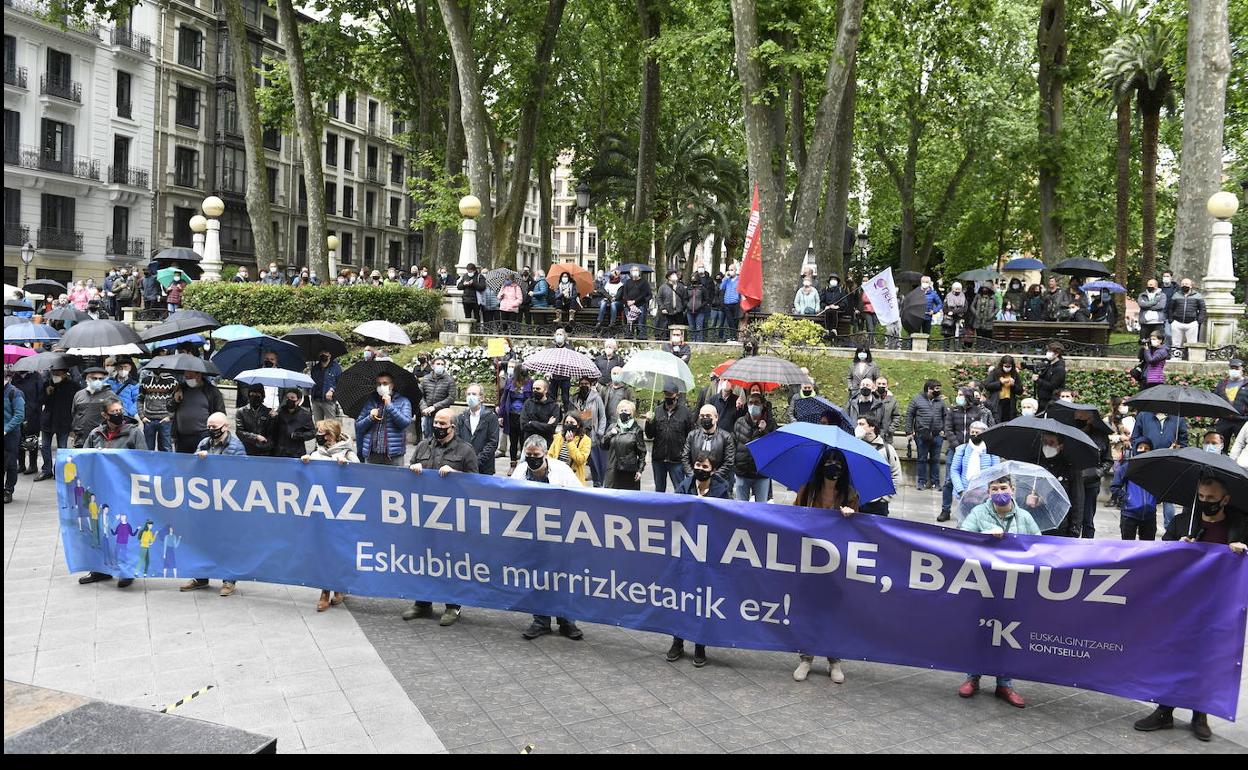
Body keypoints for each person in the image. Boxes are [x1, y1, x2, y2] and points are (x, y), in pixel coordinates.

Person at [1135, 477, 1245, 742]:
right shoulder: (1183, 522)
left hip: (1219, 606)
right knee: (1172, 653)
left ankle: (1200, 714)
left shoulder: (1240, 526)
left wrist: (1243, 551)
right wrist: (1178, 547)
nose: (1205, 502)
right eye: (1202, 497)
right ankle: (1165, 710)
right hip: (1181, 603)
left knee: (1207, 657)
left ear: (1225, 500)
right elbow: (1161, 555)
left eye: (1211, 498)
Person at [956, 475, 1039, 708]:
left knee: (1008, 633)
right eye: (994, 488)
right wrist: (985, 539)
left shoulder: (1025, 518)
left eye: (1003, 487)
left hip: (1015, 586)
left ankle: (1005, 683)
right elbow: (963, 540)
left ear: (1012, 490)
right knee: (981, 629)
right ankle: (973, 677)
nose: (999, 491)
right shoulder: (978, 514)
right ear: (988, 492)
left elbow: (1040, 547)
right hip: (984, 583)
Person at [792, 448, 860, 684]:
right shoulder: (807, 491)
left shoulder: (850, 494)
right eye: (829, 462)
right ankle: (806, 658)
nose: (833, 467)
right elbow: (791, 517)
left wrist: (852, 516)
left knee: (833, 612)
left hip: (836, 563)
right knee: (808, 609)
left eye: (837, 464)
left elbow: (858, 531)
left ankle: (834, 660)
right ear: (821, 465)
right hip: (809, 559)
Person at [405, 408, 479, 626]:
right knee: (423, 559)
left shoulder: (466, 451)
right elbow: (407, 475)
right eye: (435, 422)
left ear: (453, 427)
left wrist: (457, 476)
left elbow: (477, 484)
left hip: (451, 518)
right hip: (424, 515)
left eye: (442, 424)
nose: (437, 427)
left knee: (449, 560)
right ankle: (422, 602)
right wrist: (413, 468)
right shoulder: (422, 446)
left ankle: (452, 605)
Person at [510, 435, 585, 640]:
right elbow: (510, 497)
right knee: (537, 577)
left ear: (545, 454)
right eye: (528, 455)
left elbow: (581, 496)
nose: (532, 459)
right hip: (531, 533)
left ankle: (566, 621)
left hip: (559, 533)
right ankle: (541, 621)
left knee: (562, 577)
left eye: (536, 455)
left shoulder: (561, 470)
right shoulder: (520, 471)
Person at [664, 452, 731, 667]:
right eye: (697, 464)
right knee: (681, 596)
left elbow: (727, 516)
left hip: (708, 554)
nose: (700, 468)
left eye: (704, 465)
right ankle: (678, 641)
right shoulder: (684, 486)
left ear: (712, 469)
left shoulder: (722, 489)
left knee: (703, 599)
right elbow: (673, 509)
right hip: (685, 552)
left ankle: (700, 644)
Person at [181, 412, 246, 597]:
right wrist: (197, 460)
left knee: (227, 540)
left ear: (225, 427)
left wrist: (209, 463)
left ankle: (229, 580)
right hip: (205, 500)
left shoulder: (236, 447)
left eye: (214, 427)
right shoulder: (204, 443)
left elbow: (238, 474)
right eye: (208, 427)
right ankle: (201, 577)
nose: (211, 430)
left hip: (226, 501)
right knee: (202, 539)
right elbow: (192, 467)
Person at [301, 419, 357, 611]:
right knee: (323, 550)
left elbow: (361, 478)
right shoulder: (316, 453)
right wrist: (305, 465)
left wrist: (347, 467)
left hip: (342, 510)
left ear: (331, 434)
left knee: (339, 549)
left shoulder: (348, 453)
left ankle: (339, 587)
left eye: (322, 432)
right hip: (321, 509)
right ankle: (325, 591)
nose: (318, 435)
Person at [941, 386, 994, 521]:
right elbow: (948, 429)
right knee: (949, 480)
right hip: (956, 449)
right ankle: (945, 509)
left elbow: (981, 429)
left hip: (975, 449)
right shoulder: (952, 411)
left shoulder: (978, 412)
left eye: (961, 395)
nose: (958, 397)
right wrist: (959, 447)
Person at [1130, 409, 1189, 526]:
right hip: (1148, 461)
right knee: (1146, 494)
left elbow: (1184, 441)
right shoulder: (1143, 415)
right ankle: (1145, 522)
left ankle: (1169, 527)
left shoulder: (1178, 417)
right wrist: (1143, 449)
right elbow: (1135, 438)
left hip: (1169, 461)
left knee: (1168, 497)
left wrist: (1179, 448)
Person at [645, 382, 694, 493]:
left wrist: (686, 455)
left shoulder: (685, 412)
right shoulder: (657, 411)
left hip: (677, 459)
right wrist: (648, 423)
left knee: (680, 489)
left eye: (670, 395)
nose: (668, 397)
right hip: (659, 458)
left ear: (676, 395)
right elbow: (650, 435)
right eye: (666, 394)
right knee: (659, 490)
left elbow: (691, 435)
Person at [356, 372, 413, 466]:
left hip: (393, 455)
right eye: (379, 384)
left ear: (392, 385)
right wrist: (370, 417)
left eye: (385, 383)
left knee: (394, 480)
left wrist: (390, 406)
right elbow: (359, 427)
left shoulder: (403, 401)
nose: (381, 386)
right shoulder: (370, 401)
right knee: (370, 480)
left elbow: (405, 423)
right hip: (372, 454)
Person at [1035, 432, 1085, 537]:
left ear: (1061, 446)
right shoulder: (1036, 464)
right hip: (1036, 525)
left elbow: (1077, 500)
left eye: (1052, 443)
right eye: (1045, 442)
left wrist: (1074, 529)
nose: (1047, 446)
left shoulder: (1071, 467)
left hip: (1061, 526)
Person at [34, 367, 78, 480]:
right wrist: (47, 394)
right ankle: (46, 470)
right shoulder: (47, 384)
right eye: (54, 372)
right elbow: (40, 401)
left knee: (62, 447)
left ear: (65, 373)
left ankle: (58, 470)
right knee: (45, 447)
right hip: (47, 421)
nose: (55, 375)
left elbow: (75, 404)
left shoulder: (73, 386)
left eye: (58, 373)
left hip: (63, 421)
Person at [1110, 438, 1158, 540]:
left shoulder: (1154, 469)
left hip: (1149, 515)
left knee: (1147, 548)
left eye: (1146, 448)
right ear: (1135, 449)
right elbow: (1114, 486)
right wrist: (1127, 498)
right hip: (1129, 514)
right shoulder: (1127, 467)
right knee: (1127, 546)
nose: (1143, 450)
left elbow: (1162, 484)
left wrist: (1155, 499)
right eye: (1140, 447)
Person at [733, 390, 776, 502]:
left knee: (761, 508)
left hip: (761, 474)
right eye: (751, 403)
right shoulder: (739, 422)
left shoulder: (770, 423)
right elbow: (733, 444)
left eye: (757, 403)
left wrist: (764, 430)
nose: (753, 405)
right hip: (742, 472)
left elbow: (774, 446)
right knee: (741, 508)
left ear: (762, 405)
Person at [905, 380, 946, 495]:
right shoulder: (916, 399)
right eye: (936, 388)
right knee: (921, 459)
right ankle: (921, 482)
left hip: (937, 435)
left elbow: (945, 416)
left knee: (936, 460)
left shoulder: (941, 402)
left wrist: (944, 430)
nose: (939, 391)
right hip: (922, 435)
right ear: (929, 389)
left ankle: (935, 483)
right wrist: (909, 431)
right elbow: (910, 415)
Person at [169, 368, 224, 454]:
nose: (187, 379)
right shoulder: (181, 388)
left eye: (190, 376)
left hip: (204, 436)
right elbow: (169, 407)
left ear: (198, 375)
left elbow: (221, 414)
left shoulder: (212, 391)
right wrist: (175, 400)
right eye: (186, 376)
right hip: (182, 437)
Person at [856, 416, 901, 516]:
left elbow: (896, 474)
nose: (858, 427)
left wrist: (885, 498)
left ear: (872, 427)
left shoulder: (887, 449)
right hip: (858, 500)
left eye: (861, 424)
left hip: (878, 504)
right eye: (857, 424)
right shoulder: (856, 447)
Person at [682, 404, 735, 487]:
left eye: (708, 416)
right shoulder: (692, 435)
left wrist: (712, 479)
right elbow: (685, 457)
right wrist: (694, 476)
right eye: (702, 416)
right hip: (694, 481)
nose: (705, 418)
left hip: (718, 483)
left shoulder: (726, 437)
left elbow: (729, 462)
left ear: (716, 417)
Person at [949, 421, 999, 508]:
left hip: (984, 495)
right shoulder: (962, 449)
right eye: (972, 432)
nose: (974, 434)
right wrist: (961, 490)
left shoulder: (992, 452)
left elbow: (996, 472)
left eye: (977, 432)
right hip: (964, 492)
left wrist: (990, 491)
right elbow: (954, 471)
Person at [454, 383, 500, 476]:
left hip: (484, 468)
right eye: (468, 394)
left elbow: (492, 443)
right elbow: (457, 439)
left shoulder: (490, 417)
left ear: (481, 398)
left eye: (474, 394)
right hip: (464, 466)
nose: (471, 397)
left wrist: (476, 461)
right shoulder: (461, 417)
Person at [569, 374, 607, 486]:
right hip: (577, 433)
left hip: (592, 434)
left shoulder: (596, 398)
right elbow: (570, 414)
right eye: (581, 384)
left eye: (586, 384)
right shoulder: (574, 398)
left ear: (590, 385)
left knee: (594, 461)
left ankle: (598, 483)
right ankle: (574, 482)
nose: (583, 386)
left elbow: (603, 416)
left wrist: (600, 432)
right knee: (576, 458)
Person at [499, 362, 533, 473]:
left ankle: (524, 465)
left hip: (524, 417)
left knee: (524, 441)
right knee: (513, 442)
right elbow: (504, 399)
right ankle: (512, 464)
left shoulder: (530, 383)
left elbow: (532, 400)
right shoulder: (510, 382)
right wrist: (501, 415)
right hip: (512, 416)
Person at [604, 400, 646, 490]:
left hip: (629, 470)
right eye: (621, 410)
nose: (623, 412)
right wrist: (610, 434)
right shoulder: (612, 427)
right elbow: (603, 445)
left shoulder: (637, 430)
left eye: (626, 411)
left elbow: (642, 453)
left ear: (631, 413)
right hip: (613, 469)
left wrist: (640, 470)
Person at [1213, 358, 1247, 452]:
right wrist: (1216, 415)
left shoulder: (1246, 384)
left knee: (1242, 448)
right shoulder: (1222, 384)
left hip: (1242, 421)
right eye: (1232, 368)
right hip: (1224, 420)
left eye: (1237, 368)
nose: (1234, 370)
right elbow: (1215, 399)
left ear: (1242, 369)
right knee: (1220, 446)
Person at [419, 357, 457, 439]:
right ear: (432, 366)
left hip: (442, 416)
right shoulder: (426, 379)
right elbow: (419, 395)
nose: (440, 366)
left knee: (440, 438)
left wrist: (435, 407)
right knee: (427, 438)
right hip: (428, 415)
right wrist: (424, 408)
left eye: (442, 364)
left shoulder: (449, 380)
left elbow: (451, 398)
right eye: (438, 364)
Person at [271, 389, 315, 458]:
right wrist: (272, 418)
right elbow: (273, 431)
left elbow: (312, 432)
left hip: (296, 452)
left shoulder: (305, 415)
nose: (289, 400)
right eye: (287, 398)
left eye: (292, 398)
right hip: (280, 451)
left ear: (299, 400)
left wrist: (298, 435)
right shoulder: (280, 413)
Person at [234, 383, 276, 456]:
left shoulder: (268, 412)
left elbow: (271, 434)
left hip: (263, 451)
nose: (254, 397)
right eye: (252, 394)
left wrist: (275, 418)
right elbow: (239, 432)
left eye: (257, 395)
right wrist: (255, 437)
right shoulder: (241, 411)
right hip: (246, 450)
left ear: (262, 396)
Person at [550, 414, 592, 485]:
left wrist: (570, 442)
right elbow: (550, 455)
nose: (568, 424)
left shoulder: (586, 440)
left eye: (572, 423)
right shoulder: (558, 437)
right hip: (557, 476)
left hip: (573, 478)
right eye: (566, 422)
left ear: (578, 425)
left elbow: (580, 460)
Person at [4, 372, 26, 504]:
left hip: (11, 435)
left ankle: (8, 490)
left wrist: (6, 429)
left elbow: (19, 415)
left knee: (11, 463)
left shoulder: (15, 393)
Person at [982, 355, 1023, 423]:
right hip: (997, 402)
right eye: (1006, 366)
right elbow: (987, 385)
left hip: (1009, 403)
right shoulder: (995, 372)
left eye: (1009, 366)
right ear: (1002, 365)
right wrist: (1000, 382)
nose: (1007, 368)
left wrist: (1013, 385)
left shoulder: (1014, 374)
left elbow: (1020, 391)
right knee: (997, 421)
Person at [1166, 278, 1205, 349]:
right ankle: (1175, 359)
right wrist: (1171, 319)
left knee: (1192, 344)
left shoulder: (1197, 296)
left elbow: (1202, 309)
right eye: (1183, 284)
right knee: (1175, 344)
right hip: (1177, 323)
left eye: (1186, 284)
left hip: (1192, 323)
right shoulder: (1176, 295)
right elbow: (1170, 308)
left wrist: (1199, 320)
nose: (1184, 285)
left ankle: (1191, 359)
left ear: (1191, 286)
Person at [1028, 343, 1066, 411]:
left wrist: (1038, 380)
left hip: (1050, 401)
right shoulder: (1050, 364)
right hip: (1043, 399)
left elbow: (1052, 385)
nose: (1047, 353)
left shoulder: (1059, 369)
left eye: (1050, 351)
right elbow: (1046, 377)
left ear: (1057, 354)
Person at [310, 349, 342, 423]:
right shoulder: (315, 368)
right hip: (316, 400)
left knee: (330, 425)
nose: (323, 354)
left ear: (330, 355)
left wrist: (332, 390)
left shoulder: (336, 367)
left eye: (325, 353)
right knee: (318, 425)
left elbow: (340, 382)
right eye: (321, 353)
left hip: (329, 401)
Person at [621, 267, 653, 339]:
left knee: (640, 323)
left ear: (639, 272)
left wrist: (634, 301)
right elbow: (625, 293)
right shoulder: (627, 282)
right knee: (629, 323)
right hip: (628, 306)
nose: (634, 272)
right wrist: (628, 301)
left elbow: (644, 294)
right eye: (633, 270)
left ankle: (641, 337)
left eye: (636, 270)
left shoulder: (644, 282)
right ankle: (629, 336)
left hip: (640, 305)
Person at [547, 329, 574, 408]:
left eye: (561, 334)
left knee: (565, 398)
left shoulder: (570, 349)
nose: (559, 336)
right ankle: (552, 414)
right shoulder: (551, 348)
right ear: (555, 336)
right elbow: (548, 361)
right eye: (557, 334)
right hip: (553, 376)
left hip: (565, 377)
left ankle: (566, 415)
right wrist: (548, 372)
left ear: (564, 336)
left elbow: (572, 362)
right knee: (552, 398)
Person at [686, 265, 713, 341]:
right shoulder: (689, 288)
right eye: (692, 278)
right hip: (689, 311)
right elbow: (685, 298)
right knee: (691, 327)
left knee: (699, 327)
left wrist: (700, 306)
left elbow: (706, 299)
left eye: (695, 278)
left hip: (700, 311)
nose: (693, 279)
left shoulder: (702, 288)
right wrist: (687, 305)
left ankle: (699, 342)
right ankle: (692, 341)